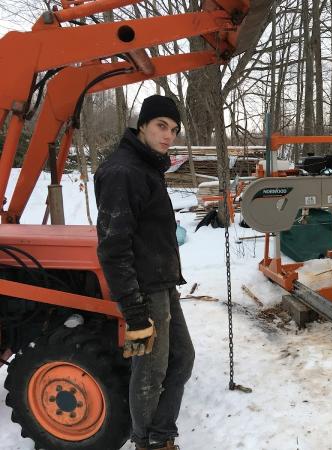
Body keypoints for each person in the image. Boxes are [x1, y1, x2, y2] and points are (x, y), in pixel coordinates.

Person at [94, 95, 195, 450]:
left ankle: (161, 433)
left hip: (163, 284)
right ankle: (146, 443)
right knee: (149, 372)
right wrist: (135, 313)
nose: (168, 136)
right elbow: (112, 248)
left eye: (173, 129)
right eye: (161, 126)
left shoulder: (147, 166)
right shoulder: (123, 172)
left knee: (181, 359)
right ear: (142, 126)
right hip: (144, 291)